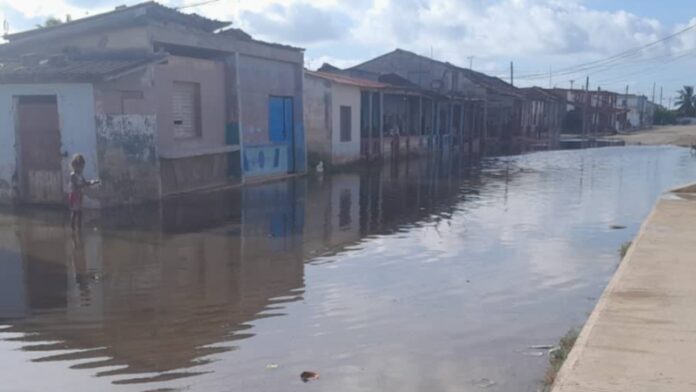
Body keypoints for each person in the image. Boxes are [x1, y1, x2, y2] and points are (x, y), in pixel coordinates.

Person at [69, 154, 99, 232]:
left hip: (80, 195)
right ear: (75, 165)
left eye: (82, 166)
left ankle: (79, 229)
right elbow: (76, 186)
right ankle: (73, 229)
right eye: (81, 166)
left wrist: (93, 182)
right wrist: (83, 185)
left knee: (80, 213)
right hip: (75, 195)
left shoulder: (80, 175)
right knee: (75, 212)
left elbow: (85, 183)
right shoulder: (73, 175)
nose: (82, 168)